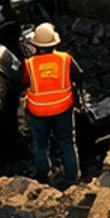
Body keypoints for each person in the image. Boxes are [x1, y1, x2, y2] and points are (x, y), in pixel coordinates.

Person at [24, 21, 82, 187]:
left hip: (38, 112)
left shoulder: (30, 64)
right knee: (67, 142)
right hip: (63, 108)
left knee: (40, 144)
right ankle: (72, 179)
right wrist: (78, 96)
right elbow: (79, 75)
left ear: (36, 45)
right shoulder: (65, 60)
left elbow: (22, 82)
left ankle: (43, 177)